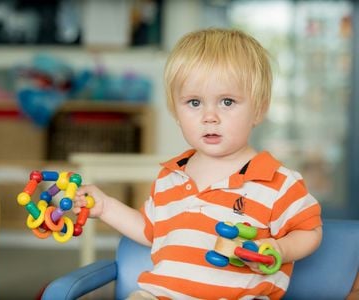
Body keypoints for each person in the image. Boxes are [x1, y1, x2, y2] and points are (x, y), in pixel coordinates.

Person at [74, 28, 322, 299]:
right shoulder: (170, 177)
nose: (209, 116)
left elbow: (309, 230)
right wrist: (105, 206)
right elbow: (151, 231)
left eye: (227, 101)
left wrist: (279, 249)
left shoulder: (277, 181)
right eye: (194, 102)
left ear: (259, 109)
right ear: (176, 111)